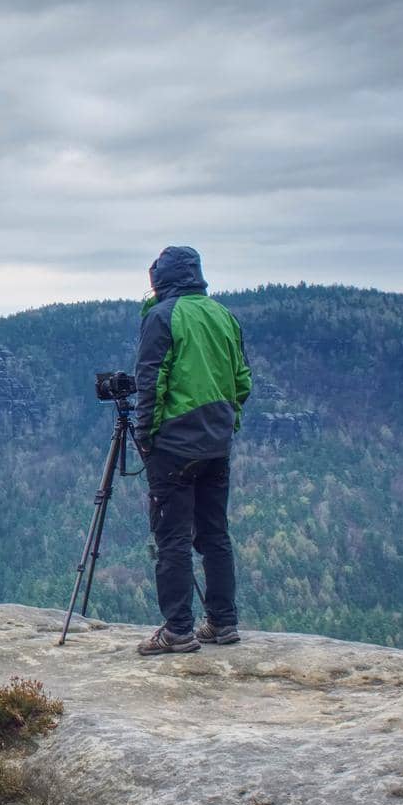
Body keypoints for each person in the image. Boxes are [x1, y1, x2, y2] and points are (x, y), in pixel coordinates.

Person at [132, 246, 252, 656]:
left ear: (160, 280)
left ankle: (178, 629)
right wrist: (225, 421)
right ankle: (222, 622)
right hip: (217, 443)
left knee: (173, 538)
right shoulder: (224, 316)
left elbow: (151, 381)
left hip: (175, 446)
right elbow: (243, 381)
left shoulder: (161, 317)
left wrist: (145, 436)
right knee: (215, 533)